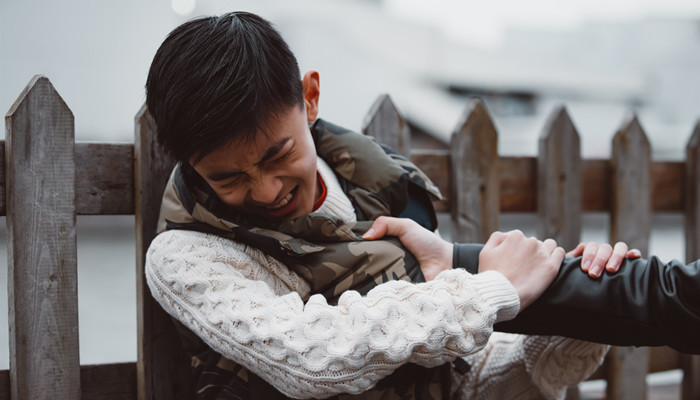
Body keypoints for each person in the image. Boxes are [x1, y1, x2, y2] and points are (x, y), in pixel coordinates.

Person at [144, 11, 639, 400]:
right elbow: (313, 359)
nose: (266, 190)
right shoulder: (186, 257)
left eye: (280, 155)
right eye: (228, 178)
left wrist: (580, 312)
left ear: (309, 98)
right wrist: (492, 289)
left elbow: (464, 384)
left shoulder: (388, 193)